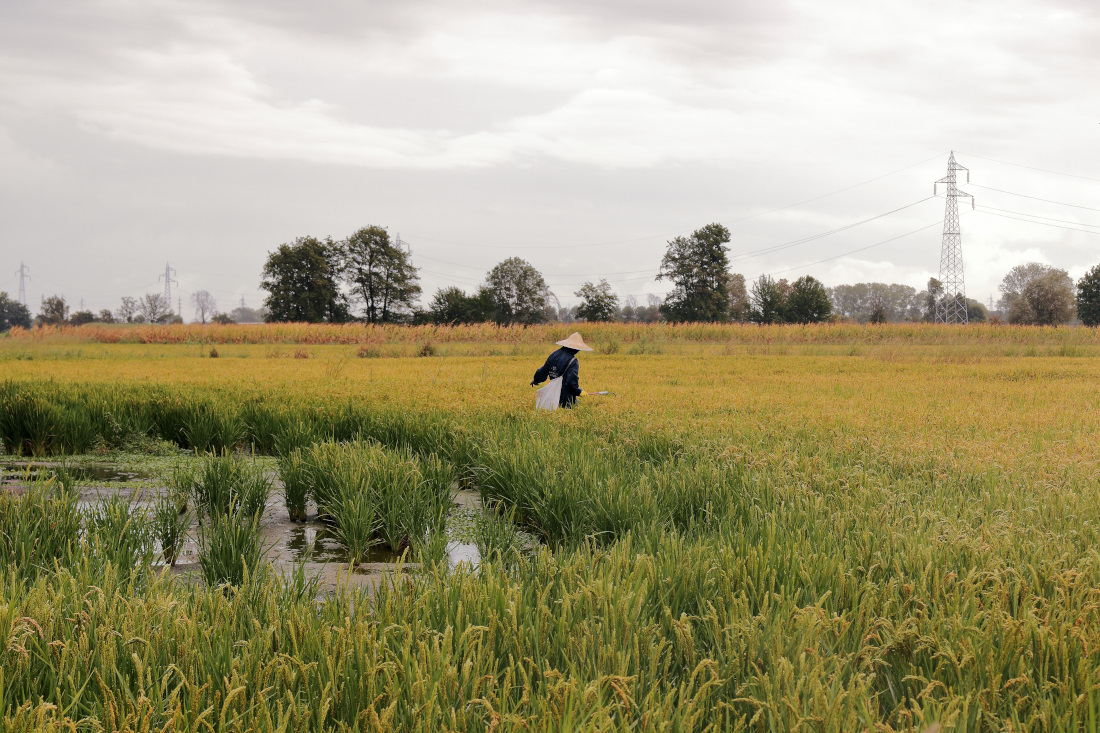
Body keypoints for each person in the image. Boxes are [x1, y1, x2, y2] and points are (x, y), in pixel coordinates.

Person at [531, 332, 592, 408]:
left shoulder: (553, 355)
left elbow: (544, 370)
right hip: (565, 396)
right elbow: (570, 382)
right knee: (570, 412)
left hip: (553, 393)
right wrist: (578, 391)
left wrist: (536, 379)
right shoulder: (573, 360)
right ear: (575, 348)